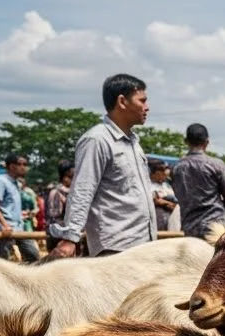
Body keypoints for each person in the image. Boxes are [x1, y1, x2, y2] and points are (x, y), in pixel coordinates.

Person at [49, 73, 157, 258]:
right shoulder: (97, 139)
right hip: (116, 247)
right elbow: (82, 190)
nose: (147, 107)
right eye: (142, 101)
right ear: (122, 101)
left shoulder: (134, 143)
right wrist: (71, 237)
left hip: (143, 244)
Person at [171, 123, 225, 240]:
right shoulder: (216, 164)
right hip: (216, 228)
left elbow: (178, 196)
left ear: (186, 141)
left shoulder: (176, 168)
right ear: (206, 142)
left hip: (190, 229)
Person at [0, 153, 40, 262]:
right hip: (5, 228)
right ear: (12, 166)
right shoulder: (1, 181)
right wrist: (4, 224)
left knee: (32, 255)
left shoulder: (16, 183)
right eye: (21, 164)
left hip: (18, 227)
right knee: (2, 261)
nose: (24, 167)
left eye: (25, 164)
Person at [44, 160, 74, 251]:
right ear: (67, 172)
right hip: (59, 237)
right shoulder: (56, 192)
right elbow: (54, 217)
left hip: (71, 235)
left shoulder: (72, 191)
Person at [148, 159, 177, 231]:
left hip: (172, 217)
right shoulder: (148, 185)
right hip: (158, 219)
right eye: (162, 171)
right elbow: (155, 200)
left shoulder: (166, 185)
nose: (165, 173)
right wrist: (167, 203)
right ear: (156, 173)